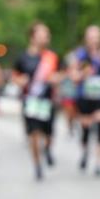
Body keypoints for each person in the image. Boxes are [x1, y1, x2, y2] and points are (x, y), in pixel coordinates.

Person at [13, 22, 60, 180]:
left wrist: (55, 79)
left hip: (47, 102)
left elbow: (60, 75)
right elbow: (15, 77)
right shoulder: (23, 57)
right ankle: (37, 166)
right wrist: (21, 81)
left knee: (48, 134)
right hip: (31, 101)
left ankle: (47, 149)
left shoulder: (51, 57)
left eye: (47, 34)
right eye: (43, 34)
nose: (46, 37)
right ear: (33, 36)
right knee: (33, 134)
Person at [70, 25, 100, 176]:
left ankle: (99, 164)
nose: (94, 40)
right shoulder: (81, 55)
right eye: (91, 36)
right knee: (86, 129)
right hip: (85, 97)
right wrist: (82, 74)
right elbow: (73, 76)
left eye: (96, 36)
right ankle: (85, 153)